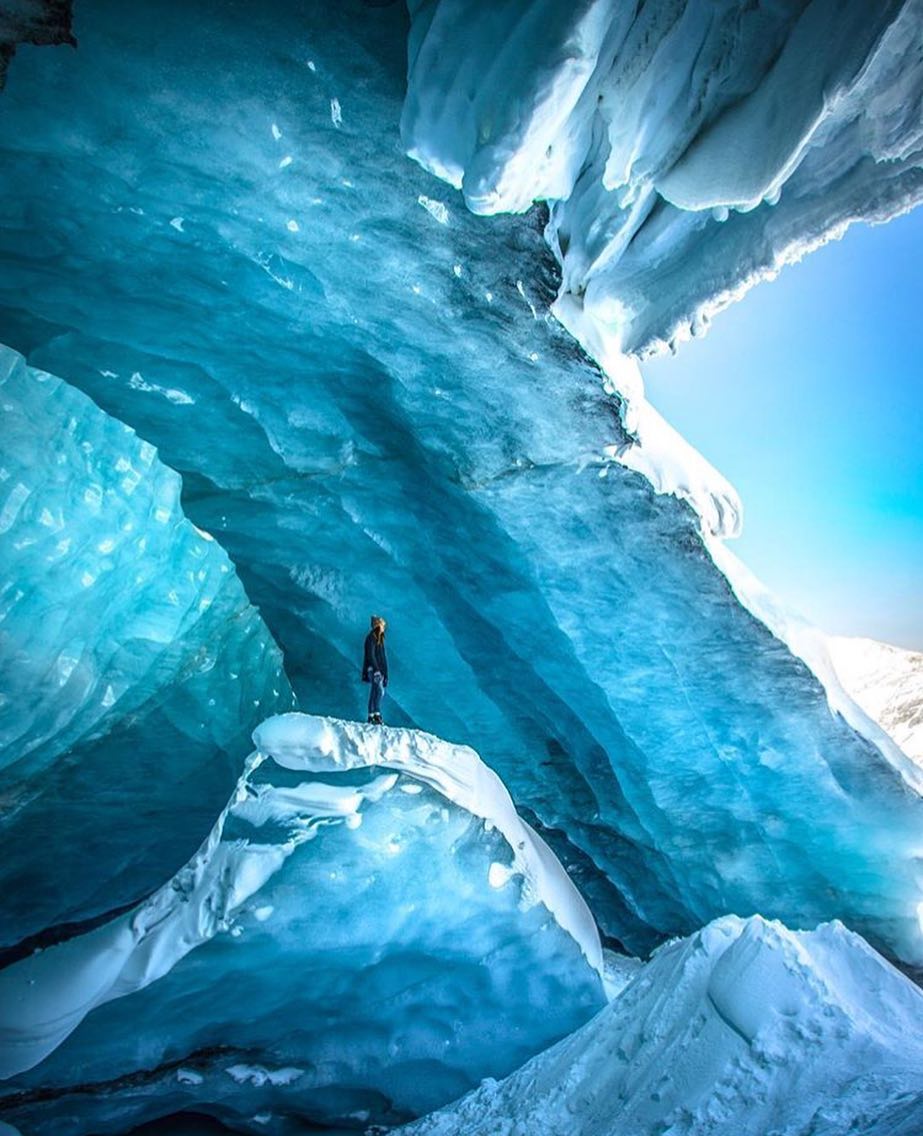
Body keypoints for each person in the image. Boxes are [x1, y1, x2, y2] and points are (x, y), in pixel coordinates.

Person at [362, 614, 388, 724]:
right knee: (379, 691)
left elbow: (383, 658)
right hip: (373, 670)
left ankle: (371, 715)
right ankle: (376, 714)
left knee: (375, 691)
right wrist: (376, 669)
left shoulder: (380, 639)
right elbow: (370, 655)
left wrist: (386, 674)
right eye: (382, 625)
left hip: (379, 670)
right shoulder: (371, 637)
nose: (384, 628)